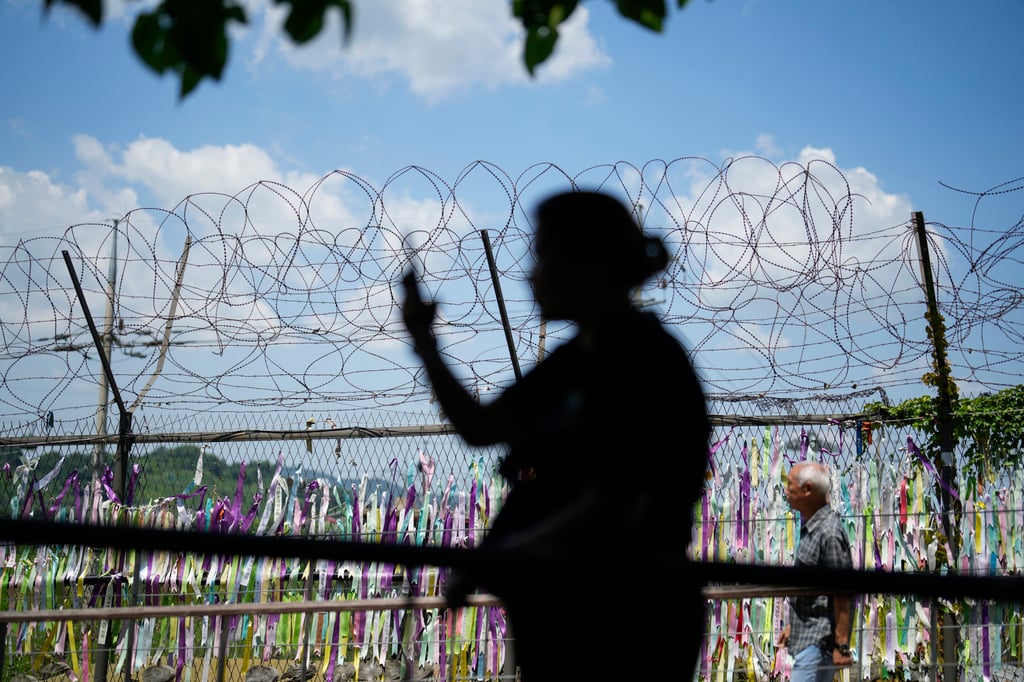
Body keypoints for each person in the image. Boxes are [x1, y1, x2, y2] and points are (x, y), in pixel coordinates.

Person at [400, 190, 711, 682]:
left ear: (586, 265)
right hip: (573, 612)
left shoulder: (643, 359)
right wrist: (425, 344)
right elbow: (481, 428)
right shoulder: (578, 359)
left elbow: (618, 502)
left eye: (542, 255)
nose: (531, 273)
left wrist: (502, 552)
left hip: (625, 618)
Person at [776, 461, 855, 682]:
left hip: (819, 645)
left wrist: (841, 645)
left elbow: (842, 593)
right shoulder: (813, 527)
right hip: (807, 637)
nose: (786, 491)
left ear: (807, 489)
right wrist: (796, 626)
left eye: (790, 485)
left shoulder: (829, 533)